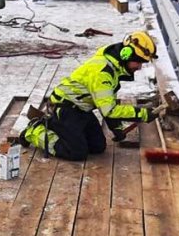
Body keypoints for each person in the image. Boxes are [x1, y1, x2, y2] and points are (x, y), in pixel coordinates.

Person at [21, 31, 160, 161]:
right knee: (76, 152)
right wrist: (142, 114)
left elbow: (106, 102)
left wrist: (116, 128)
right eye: (139, 62)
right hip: (65, 108)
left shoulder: (114, 65)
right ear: (126, 54)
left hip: (81, 108)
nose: (140, 67)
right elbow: (109, 110)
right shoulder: (102, 73)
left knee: (97, 147)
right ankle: (35, 130)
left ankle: (57, 126)